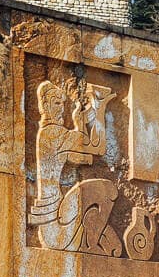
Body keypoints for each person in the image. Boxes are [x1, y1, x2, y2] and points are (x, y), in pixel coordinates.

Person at [29, 79, 122, 257]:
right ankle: (92, 244)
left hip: (54, 219)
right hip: (54, 226)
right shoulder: (51, 133)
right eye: (56, 103)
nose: (61, 109)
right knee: (107, 190)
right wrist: (98, 106)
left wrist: (83, 122)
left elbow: (85, 157)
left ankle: (92, 241)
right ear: (45, 105)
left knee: (96, 201)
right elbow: (97, 146)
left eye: (62, 104)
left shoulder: (53, 133)